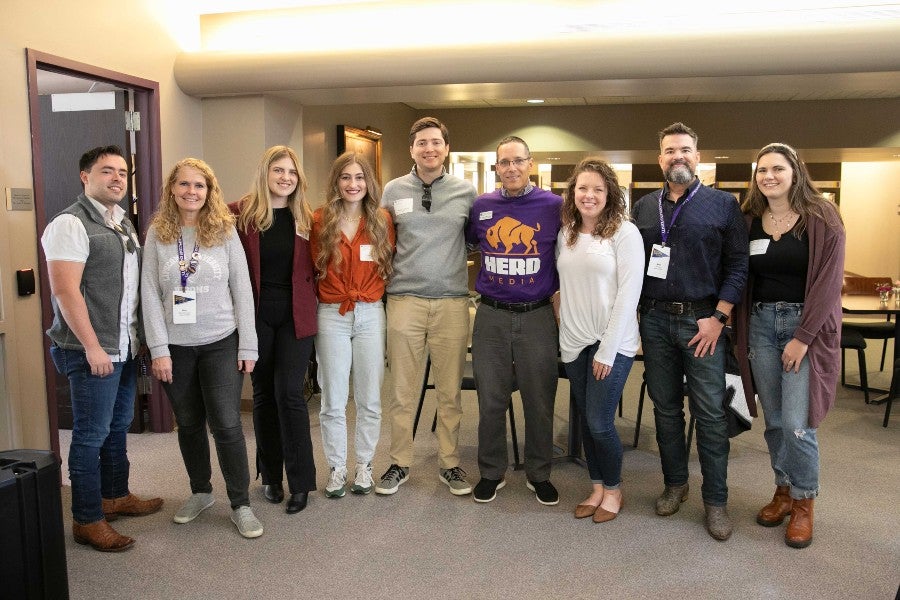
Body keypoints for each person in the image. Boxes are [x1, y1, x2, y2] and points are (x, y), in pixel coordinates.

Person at [42, 145, 162, 552]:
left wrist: (139, 339)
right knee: (90, 436)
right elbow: (65, 291)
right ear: (85, 177)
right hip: (90, 349)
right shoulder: (70, 224)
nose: (117, 178)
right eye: (107, 171)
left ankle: (116, 496)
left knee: (116, 427)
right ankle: (87, 519)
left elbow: (128, 290)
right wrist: (92, 347)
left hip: (124, 346)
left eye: (123, 172)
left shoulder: (121, 222)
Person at [632, 122, 748, 540]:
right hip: (656, 321)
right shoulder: (644, 207)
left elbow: (738, 266)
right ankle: (675, 484)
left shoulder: (723, 205)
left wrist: (719, 317)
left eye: (685, 150)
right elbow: (632, 268)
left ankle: (716, 501)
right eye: (669, 151)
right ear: (659, 158)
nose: (677, 156)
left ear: (698, 156)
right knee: (665, 409)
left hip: (704, 323)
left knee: (711, 415)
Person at [142, 158, 263, 538]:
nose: (191, 192)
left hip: (220, 341)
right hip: (175, 348)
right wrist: (158, 347)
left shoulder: (225, 230)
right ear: (172, 190)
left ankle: (241, 503)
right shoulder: (158, 234)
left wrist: (249, 344)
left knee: (227, 423)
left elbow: (242, 288)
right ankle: (201, 491)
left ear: (209, 191)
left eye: (200, 185)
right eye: (184, 185)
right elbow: (148, 293)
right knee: (189, 423)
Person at [733, 142, 845, 549]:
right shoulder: (750, 219)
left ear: (795, 171)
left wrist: (802, 338)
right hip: (760, 324)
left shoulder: (821, 217)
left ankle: (803, 501)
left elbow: (829, 286)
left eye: (777, 168)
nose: (769, 176)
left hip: (805, 326)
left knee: (799, 424)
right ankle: (783, 489)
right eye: (762, 170)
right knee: (776, 421)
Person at [377, 117, 477, 496]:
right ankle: (400, 462)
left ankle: (449, 464)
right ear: (412, 149)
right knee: (403, 390)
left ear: (446, 148)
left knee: (449, 392)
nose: (429, 148)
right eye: (422, 143)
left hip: (452, 303)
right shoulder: (393, 190)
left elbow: (473, 241)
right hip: (404, 301)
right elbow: (382, 239)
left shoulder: (466, 192)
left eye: (436, 142)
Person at [467, 136, 562, 505]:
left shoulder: (554, 206)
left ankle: (539, 473)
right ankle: (491, 472)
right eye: (504, 162)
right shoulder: (482, 206)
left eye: (518, 161)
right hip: (490, 315)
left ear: (530, 163)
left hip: (537, 316)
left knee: (539, 400)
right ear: (496, 167)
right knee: (491, 400)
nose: (511, 168)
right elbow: (469, 244)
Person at [230, 146, 318, 514]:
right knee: (263, 396)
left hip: (296, 316)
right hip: (255, 317)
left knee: (290, 395)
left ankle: (301, 483)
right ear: (265, 173)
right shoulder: (240, 215)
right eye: (278, 170)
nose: (285, 178)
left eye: (292, 172)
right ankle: (270, 476)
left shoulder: (308, 219)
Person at [557, 158, 644, 522]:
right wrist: (563, 324)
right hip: (575, 341)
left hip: (613, 343)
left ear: (610, 194)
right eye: (582, 188)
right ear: (572, 193)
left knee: (599, 421)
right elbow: (563, 286)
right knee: (584, 414)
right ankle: (596, 486)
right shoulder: (568, 233)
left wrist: (607, 350)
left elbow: (629, 293)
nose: (589, 195)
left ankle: (613, 489)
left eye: (597, 189)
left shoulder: (624, 233)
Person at [311, 152, 395, 498]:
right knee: (332, 396)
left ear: (368, 183)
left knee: (369, 397)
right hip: (332, 313)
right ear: (336, 181)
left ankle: (364, 464)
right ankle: (336, 468)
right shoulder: (319, 220)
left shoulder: (382, 220)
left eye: (359, 178)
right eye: (346, 177)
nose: (353, 184)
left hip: (371, 313)